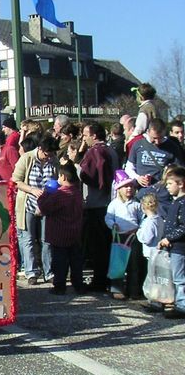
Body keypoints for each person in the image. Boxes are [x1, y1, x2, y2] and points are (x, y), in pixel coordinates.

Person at [12, 134, 59, 284]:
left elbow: (57, 179)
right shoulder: (26, 158)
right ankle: (31, 272)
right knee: (28, 238)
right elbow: (16, 180)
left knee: (48, 239)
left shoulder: (53, 160)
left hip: (47, 205)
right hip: (28, 203)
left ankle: (49, 271)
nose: (48, 157)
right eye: (47, 154)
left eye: (51, 154)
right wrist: (31, 190)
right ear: (40, 149)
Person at [37, 162, 85, 295]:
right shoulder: (77, 192)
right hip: (75, 232)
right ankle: (78, 285)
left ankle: (59, 286)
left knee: (59, 262)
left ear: (63, 177)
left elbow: (44, 207)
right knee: (76, 262)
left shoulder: (60, 194)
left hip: (59, 234)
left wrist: (45, 193)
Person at [79, 121, 114, 291]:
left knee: (97, 246)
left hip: (96, 203)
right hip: (111, 203)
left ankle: (99, 281)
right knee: (107, 245)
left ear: (94, 135)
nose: (83, 138)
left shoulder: (94, 152)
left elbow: (86, 175)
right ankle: (108, 279)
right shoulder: (112, 151)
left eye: (85, 135)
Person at [104, 170, 144, 300]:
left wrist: (139, 229)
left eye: (131, 186)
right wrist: (112, 224)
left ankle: (134, 289)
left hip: (133, 237)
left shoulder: (137, 204)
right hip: (119, 237)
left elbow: (142, 218)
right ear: (119, 189)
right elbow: (108, 218)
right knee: (118, 264)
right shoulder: (114, 204)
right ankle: (116, 288)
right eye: (126, 186)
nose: (129, 189)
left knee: (134, 265)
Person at [157, 165, 185, 319]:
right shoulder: (175, 202)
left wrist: (169, 238)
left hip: (180, 247)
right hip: (174, 247)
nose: (167, 187)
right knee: (176, 277)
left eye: (169, 183)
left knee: (180, 278)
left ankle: (182, 306)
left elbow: (183, 226)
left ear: (180, 184)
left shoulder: (183, 203)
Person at [126, 118, 180, 189]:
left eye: (160, 138)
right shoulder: (138, 144)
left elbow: (178, 171)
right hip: (141, 190)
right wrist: (138, 178)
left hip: (163, 190)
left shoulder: (172, 147)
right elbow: (129, 167)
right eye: (154, 138)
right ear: (148, 132)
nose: (157, 142)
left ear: (164, 132)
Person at [0, 115, 20, 181]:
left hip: (9, 182)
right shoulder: (10, 138)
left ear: (10, 127)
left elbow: (9, 151)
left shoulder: (13, 137)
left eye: (4, 127)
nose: (3, 129)